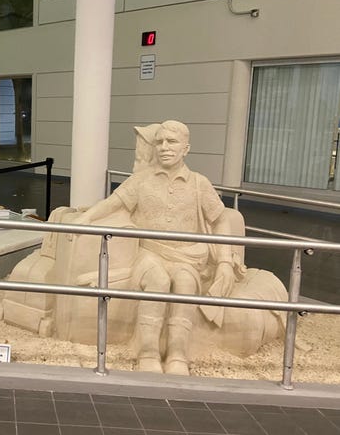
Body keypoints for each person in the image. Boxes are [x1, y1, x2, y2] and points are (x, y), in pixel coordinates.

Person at [76, 120, 236, 375]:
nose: (164, 147)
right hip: (150, 253)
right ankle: (148, 351)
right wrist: (87, 217)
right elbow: (113, 202)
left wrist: (226, 262)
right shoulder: (141, 180)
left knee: (184, 283)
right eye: (159, 141)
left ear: (186, 148)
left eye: (171, 142)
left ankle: (178, 353)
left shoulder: (199, 183)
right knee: (158, 281)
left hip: (188, 257)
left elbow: (220, 220)